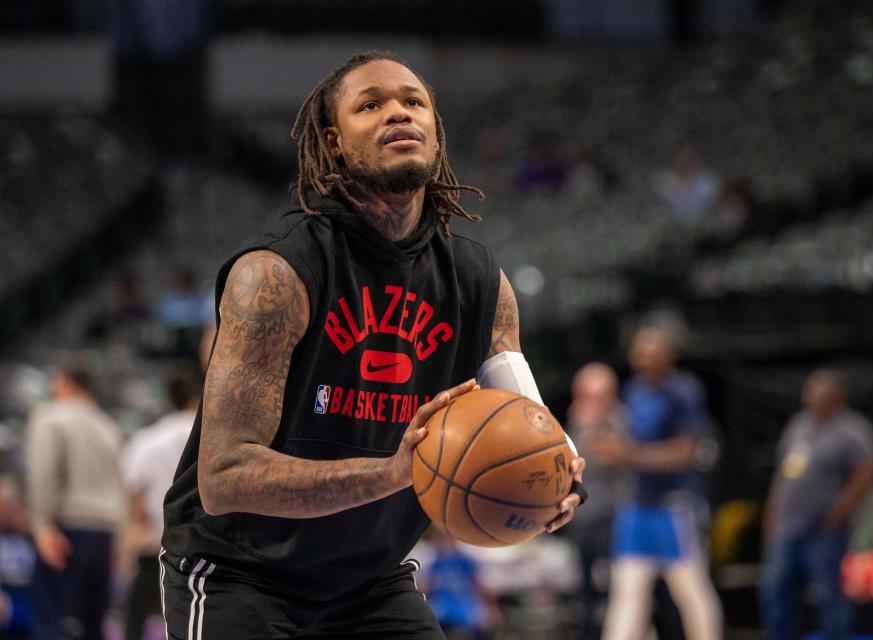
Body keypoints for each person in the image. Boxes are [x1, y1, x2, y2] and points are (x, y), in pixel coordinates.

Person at [161, 50, 586, 639]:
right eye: (371, 104)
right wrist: (393, 473)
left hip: (370, 580)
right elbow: (225, 476)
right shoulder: (277, 273)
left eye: (414, 101)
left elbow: (529, 423)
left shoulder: (480, 283)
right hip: (241, 573)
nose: (399, 112)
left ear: (435, 134)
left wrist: (558, 478)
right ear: (333, 144)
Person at [595, 327, 722, 640]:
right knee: (627, 592)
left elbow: (685, 451)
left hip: (673, 505)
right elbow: (626, 444)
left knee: (689, 588)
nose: (643, 359)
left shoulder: (684, 391)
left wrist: (627, 455)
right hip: (637, 506)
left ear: (669, 356)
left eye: (651, 353)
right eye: (639, 353)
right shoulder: (633, 391)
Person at [760, 369, 873, 640]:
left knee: (828, 593)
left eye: (820, 395)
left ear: (838, 398)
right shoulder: (799, 425)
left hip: (822, 528)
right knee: (775, 589)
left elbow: (868, 469)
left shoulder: (853, 430)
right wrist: (772, 512)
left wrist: (841, 509)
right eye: (810, 393)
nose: (812, 400)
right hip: (788, 525)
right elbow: (783, 473)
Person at [24, 358, 125, 640]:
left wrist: (42, 525)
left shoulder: (50, 416)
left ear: (67, 382)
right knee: (93, 625)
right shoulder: (110, 427)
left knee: (51, 620)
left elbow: (44, 473)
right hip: (104, 532)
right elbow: (120, 486)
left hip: (66, 529)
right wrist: (119, 539)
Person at [121, 370, 200, 640]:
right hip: (201, 543)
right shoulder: (208, 433)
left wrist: (143, 523)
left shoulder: (145, 439)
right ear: (196, 399)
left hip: (157, 540)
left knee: (137, 615)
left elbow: (133, 492)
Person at [565, 363, 631, 640]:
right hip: (582, 524)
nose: (589, 403)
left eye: (597, 396)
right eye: (584, 396)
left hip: (615, 524)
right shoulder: (574, 427)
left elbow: (612, 457)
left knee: (616, 600)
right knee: (585, 600)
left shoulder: (623, 424)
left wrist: (592, 429)